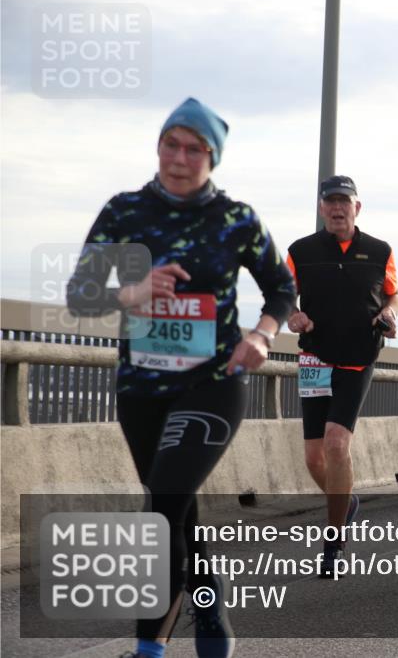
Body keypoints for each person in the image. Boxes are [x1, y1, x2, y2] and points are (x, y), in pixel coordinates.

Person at [66, 98, 297, 658]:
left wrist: (261, 335)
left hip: (213, 382)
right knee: (174, 504)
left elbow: (282, 289)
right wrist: (134, 293)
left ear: (213, 158)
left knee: (163, 506)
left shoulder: (236, 219)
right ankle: (208, 598)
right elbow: (80, 295)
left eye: (195, 148)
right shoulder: (124, 211)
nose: (181, 157)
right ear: (158, 147)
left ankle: (149, 647)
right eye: (172, 143)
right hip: (141, 387)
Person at [285, 175, 398, 577]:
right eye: (330, 202)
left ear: (357, 207)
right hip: (316, 357)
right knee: (314, 457)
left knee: (337, 444)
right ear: (321, 208)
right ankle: (346, 503)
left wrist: (390, 313)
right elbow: (284, 295)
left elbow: (393, 294)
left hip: (358, 357)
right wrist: (292, 315)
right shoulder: (300, 251)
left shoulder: (379, 250)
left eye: (344, 202)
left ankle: (332, 542)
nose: (337, 208)